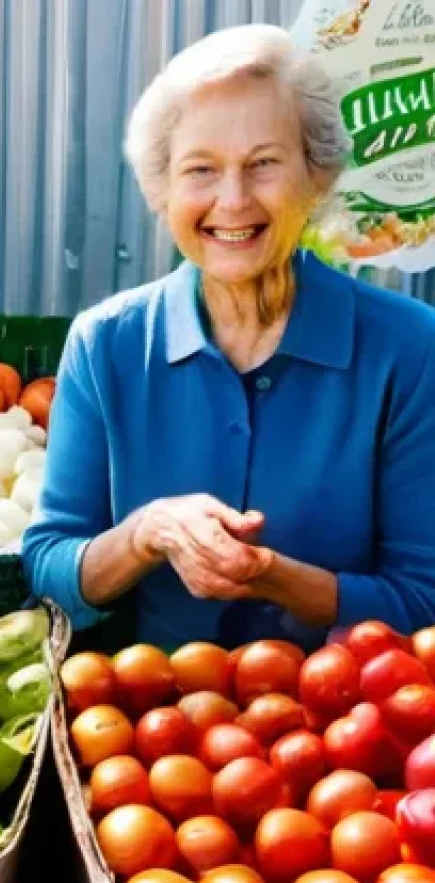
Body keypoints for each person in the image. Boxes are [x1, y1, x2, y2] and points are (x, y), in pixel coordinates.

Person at [22, 24, 435, 654]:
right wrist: (146, 533)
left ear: (316, 175)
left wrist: (272, 578)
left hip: (348, 724)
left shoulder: (408, 348)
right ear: (161, 189)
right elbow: (49, 562)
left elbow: (422, 597)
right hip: (145, 731)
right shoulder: (106, 344)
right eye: (201, 170)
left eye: (264, 164)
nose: (233, 200)